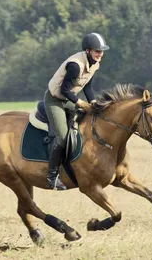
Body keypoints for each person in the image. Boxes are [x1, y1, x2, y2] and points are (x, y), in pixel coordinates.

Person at [44, 33, 110, 190]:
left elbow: (87, 86)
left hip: (68, 100)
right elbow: (64, 90)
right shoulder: (75, 65)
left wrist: (93, 103)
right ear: (87, 51)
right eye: (97, 51)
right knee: (63, 137)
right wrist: (81, 103)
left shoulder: (94, 63)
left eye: (101, 51)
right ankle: (51, 177)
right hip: (55, 100)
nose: (100, 54)